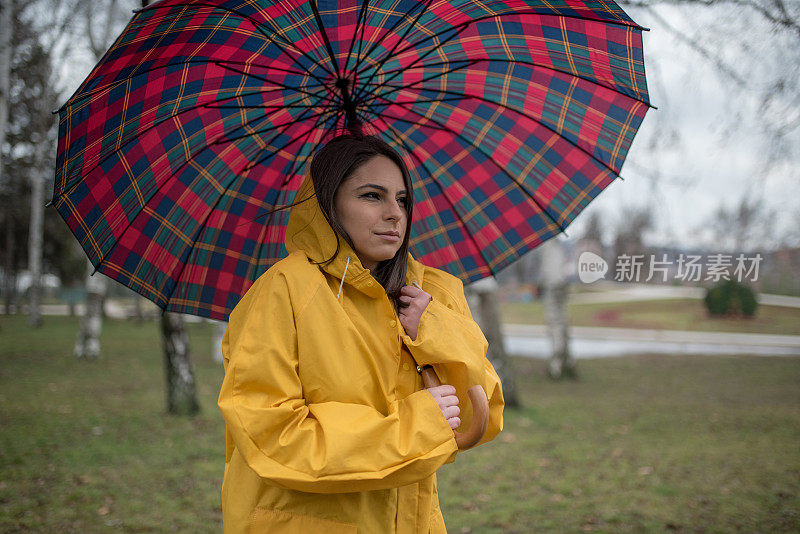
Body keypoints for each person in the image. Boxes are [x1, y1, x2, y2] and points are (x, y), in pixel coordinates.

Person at [218, 133, 504, 533]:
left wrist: (435, 330)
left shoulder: (428, 292)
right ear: (326, 204)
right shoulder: (283, 292)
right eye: (372, 196)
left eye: (402, 200)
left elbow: (480, 415)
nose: (394, 214)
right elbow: (274, 437)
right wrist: (416, 426)